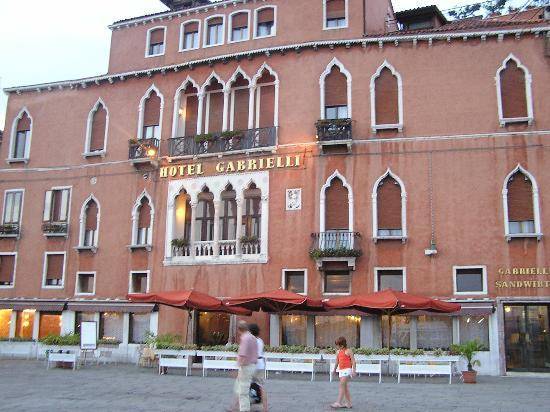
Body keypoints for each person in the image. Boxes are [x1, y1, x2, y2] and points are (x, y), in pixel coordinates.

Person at [234, 321, 258, 412]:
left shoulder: (245, 338)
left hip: (246, 366)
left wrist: (238, 366)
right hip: (252, 365)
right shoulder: (253, 337)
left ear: (239, 329)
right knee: (242, 388)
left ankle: (244, 409)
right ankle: (244, 407)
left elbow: (243, 355)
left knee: (243, 391)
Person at [331, 336, 356, 409]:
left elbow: (353, 361)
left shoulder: (349, 351)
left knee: (342, 385)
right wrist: (334, 370)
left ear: (342, 345)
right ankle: (349, 404)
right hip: (341, 371)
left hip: (347, 370)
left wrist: (354, 370)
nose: (337, 347)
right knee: (345, 387)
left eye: (338, 345)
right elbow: (337, 362)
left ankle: (338, 402)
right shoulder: (338, 352)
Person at [248, 323, 268, 412]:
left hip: (253, 364)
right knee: (261, 386)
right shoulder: (260, 341)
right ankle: (265, 408)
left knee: (246, 385)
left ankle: (245, 405)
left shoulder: (251, 341)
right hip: (261, 364)